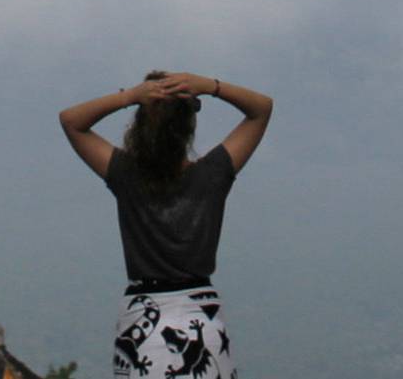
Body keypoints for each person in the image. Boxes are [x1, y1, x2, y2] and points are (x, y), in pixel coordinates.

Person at [58, 70, 273, 379]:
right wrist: (210, 86)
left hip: (142, 325)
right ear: (189, 125)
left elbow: (71, 121)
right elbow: (261, 110)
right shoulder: (212, 174)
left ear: (139, 124)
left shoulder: (126, 175)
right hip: (203, 318)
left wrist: (130, 96)